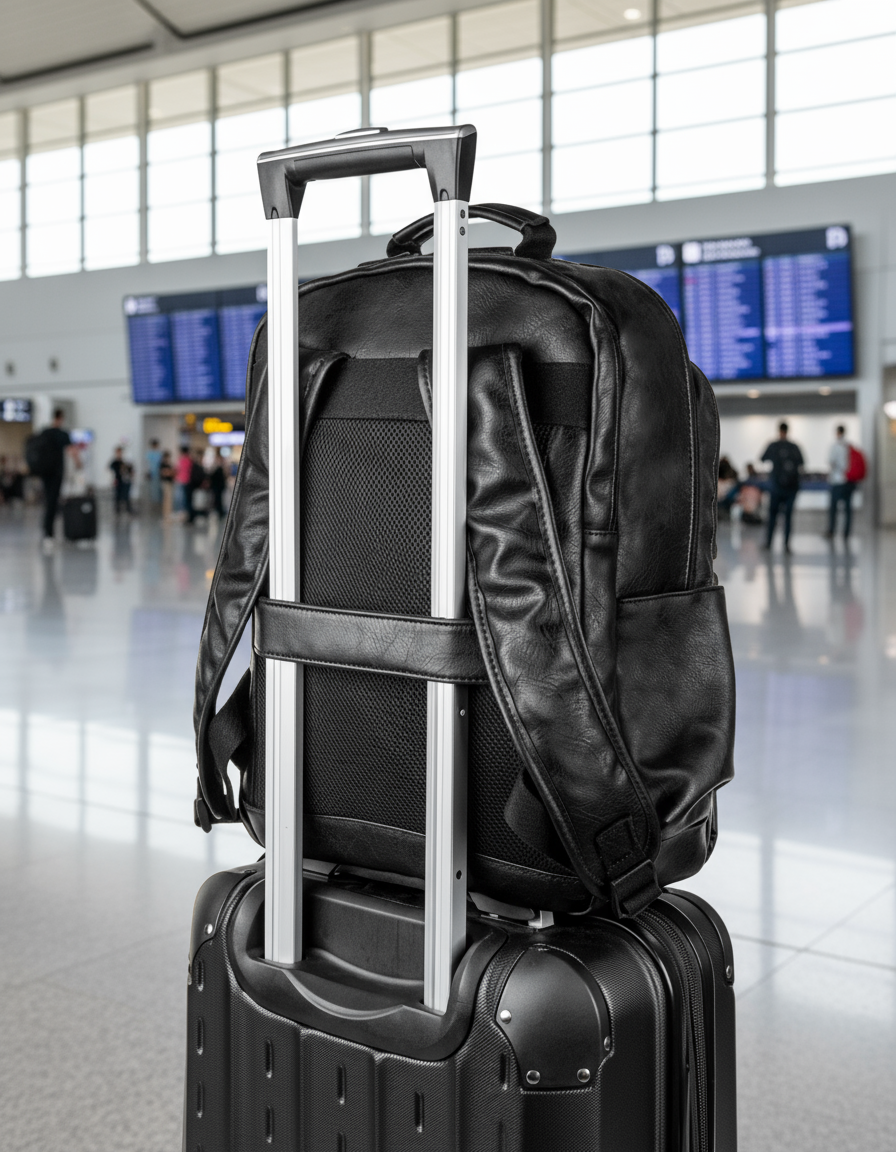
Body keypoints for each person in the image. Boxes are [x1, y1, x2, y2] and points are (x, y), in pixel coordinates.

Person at [761, 421, 804, 553]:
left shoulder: (773, 445)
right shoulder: (794, 446)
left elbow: (762, 458)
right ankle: (786, 545)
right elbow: (802, 463)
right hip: (791, 488)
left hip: (776, 487)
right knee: (788, 517)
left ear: (779, 430)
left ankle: (768, 543)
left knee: (772, 515)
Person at [39, 409, 71, 553]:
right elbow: (72, 451)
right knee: (52, 502)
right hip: (56, 473)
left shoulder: (44, 432)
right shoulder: (61, 434)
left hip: (44, 473)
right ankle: (48, 534)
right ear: (61, 418)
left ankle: (46, 530)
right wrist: (79, 464)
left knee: (48, 501)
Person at [825, 424, 856, 541]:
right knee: (848, 508)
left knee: (833, 508)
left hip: (837, 481)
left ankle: (832, 530)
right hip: (849, 481)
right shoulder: (849, 446)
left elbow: (831, 462)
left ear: (837, 433)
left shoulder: (835, 446)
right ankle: (846, 532)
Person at [109, 447, 133, 515]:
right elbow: (111, 470)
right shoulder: (114, 462)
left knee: (126, 495)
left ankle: (128, 509)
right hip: (117, 480)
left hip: (124, 480)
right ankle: (117, 510)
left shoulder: (124, 461)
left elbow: (129, 470)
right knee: (117, 495)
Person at [208, 451, 227, 517]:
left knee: (218, 499)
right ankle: (219, 511)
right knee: (218, 499)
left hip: (218, 487)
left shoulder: (219, 468)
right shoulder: (219, 468)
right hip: (218, 486)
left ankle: (220, 511)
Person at [175, 446, 192, 518]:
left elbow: (177, 469)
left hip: (181, 480)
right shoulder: (190, 460)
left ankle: (181, 512)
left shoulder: (181, 460)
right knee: (185, 497)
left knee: (180, 497)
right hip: (188, 480)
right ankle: (185, 512)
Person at [146, 438, 163, 508]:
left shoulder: (159, 453)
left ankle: (158, 502)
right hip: (152, 473)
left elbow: (161, 463)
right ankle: (153, 502)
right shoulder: (149, 453)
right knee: (151, 489)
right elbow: (148, 464)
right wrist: (148, 472)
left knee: (158, 488)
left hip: (158, 473)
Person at [159, 450, 175, 519]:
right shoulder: (162, 464)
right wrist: (169, 472)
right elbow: (164, 473)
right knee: (166, 498)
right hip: (165, 482)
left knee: (169, 498)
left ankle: (168, 512)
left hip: (170, 482)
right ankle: (165, 513)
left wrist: (170, 472)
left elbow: (173, 472)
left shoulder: (169, 464)